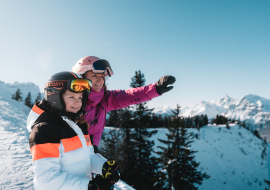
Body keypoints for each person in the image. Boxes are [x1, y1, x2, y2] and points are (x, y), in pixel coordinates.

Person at [27, 71, 120, 190]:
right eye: (71, 97)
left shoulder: (78, 125)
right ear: (55, 97)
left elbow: (89, 155)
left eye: (80, 97)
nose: (77, 102)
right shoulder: (45, 130)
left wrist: (104, 166)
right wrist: (88, 186)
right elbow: (47, 179)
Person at [72, 56, 176, 152]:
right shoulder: (69, 101)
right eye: (94, 75)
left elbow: (129, 96)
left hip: (88, 159)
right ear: (81, 77)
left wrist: (156, 88)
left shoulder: (104, 99)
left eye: (102, 76)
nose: (100, 80)